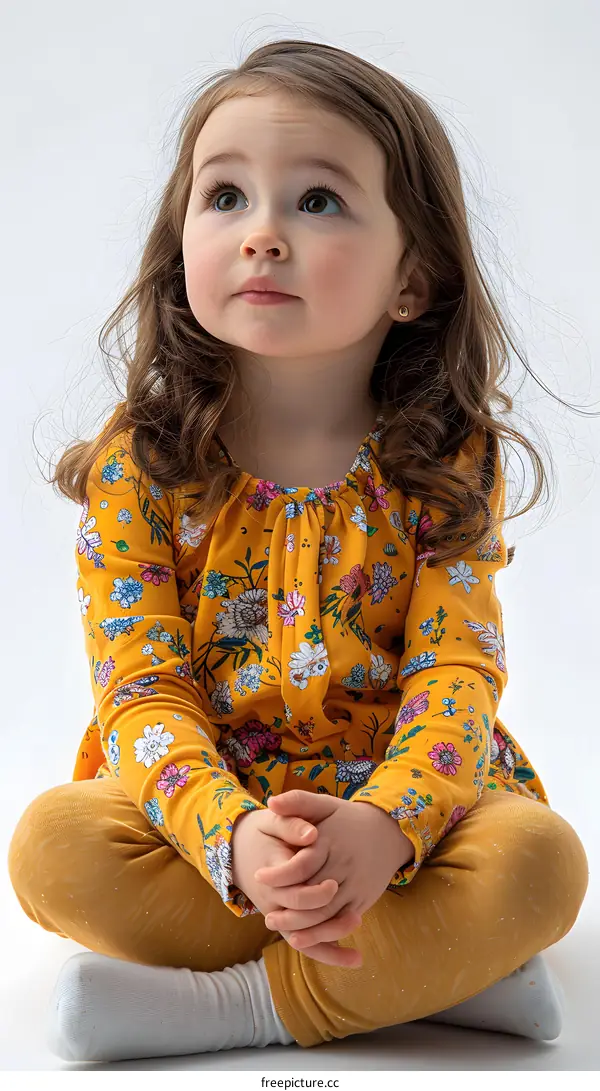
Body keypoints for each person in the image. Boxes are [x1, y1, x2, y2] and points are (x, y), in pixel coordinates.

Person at [8, 38, 588, 1064]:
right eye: (224, 197)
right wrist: (234, 838)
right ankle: (432, 972)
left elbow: (456, 669)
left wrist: (388, 825)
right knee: (53, 849)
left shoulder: (444, 456)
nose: (262, 234)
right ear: (181, 235)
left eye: (316, 201)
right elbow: (141, 688)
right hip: (210, 826)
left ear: (413, 278)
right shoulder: (141, 462)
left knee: (541, 864)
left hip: (404, 817)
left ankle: (234, 1006)